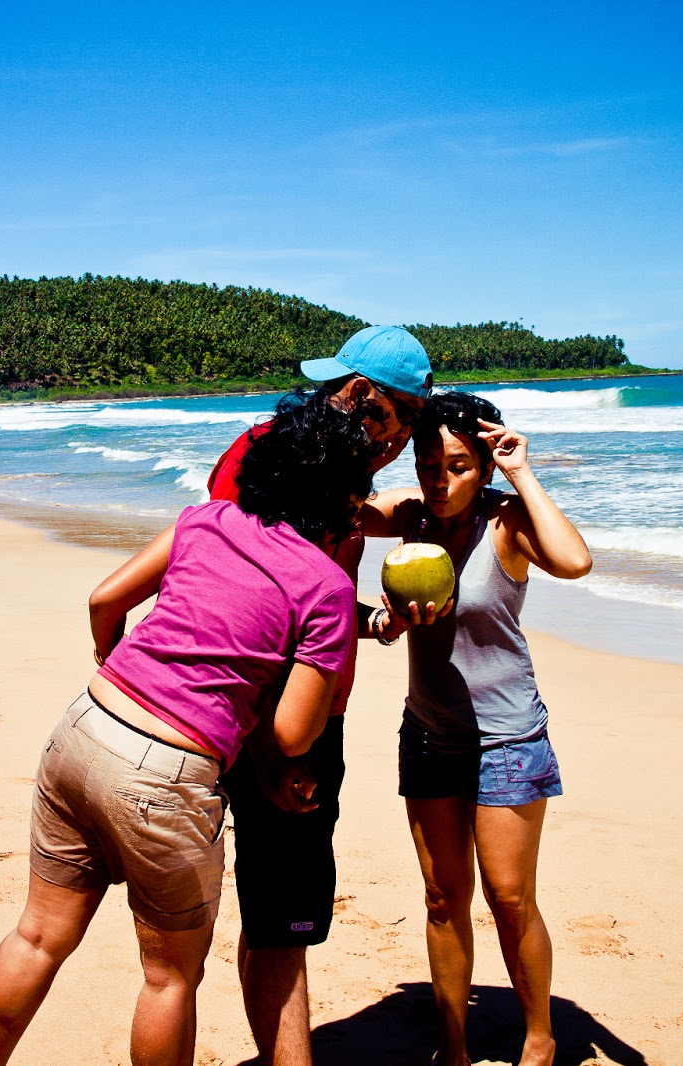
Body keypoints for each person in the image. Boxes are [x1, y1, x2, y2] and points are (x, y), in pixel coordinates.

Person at [0, 394, 379, 1066]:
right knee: (168, 978)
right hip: (166, 774)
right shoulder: (326, 588)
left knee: (39, 936)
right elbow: (295, 731)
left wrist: (111, 657)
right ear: (346, 497)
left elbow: (105, 599)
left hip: (85, 726)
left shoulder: (207, 520)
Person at [206, 325, 432, 1066]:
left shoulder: (338, 470)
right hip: (267, 716)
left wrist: (372, 617)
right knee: (278, 914)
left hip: (306, 715)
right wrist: (268, 752)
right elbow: (233, 599)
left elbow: (314, 588)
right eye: (341, 389)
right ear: (368, 404)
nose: (328, 396)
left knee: (284, 915)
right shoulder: (266, 453)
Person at [360, 390, 592, 1066]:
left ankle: (541, 1038)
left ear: (483, 466)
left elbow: (575, 561)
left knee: (511, 898)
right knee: (441, 897)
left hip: (506, 738)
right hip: (429, 734)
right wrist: (381, 621)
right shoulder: (412, 517)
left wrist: (520, 471)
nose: (441, 479)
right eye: (429, 463)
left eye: (459, 466)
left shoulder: (507, 523)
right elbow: (333, 506)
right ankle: (454, 1045)